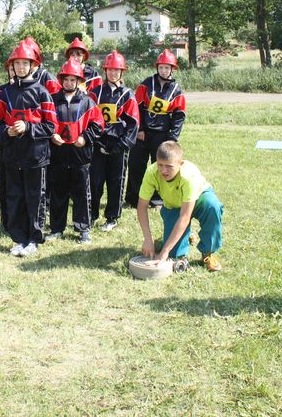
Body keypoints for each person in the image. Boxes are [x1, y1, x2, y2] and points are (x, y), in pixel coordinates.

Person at [0, 41, 57, 256]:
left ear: (33, 65)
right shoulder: (4, 94)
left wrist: (28, 127)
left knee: (35, 197)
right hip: (12, 155)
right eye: (16, 63)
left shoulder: (42, 93)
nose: (20, 67)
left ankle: (33, 239)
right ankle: (19, 238)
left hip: (35, 156)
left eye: (24, 63)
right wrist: (6, 132)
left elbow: (51, 126)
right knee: (15, 196)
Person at [137, 141, 223, 272]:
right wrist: (148, 239)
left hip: (200, 198)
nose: (163, 170)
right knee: (174, 255)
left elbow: (185, 217)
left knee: (213, 207)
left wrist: (164, 251)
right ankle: (185, 236)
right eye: (160, 165)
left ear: (180, 164)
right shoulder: (152, 172)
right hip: (174, 205)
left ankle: (208, 253)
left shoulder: (188, 176)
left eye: (169, 166)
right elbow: (142, 206)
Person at [46, 58, 104, 244]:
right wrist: (52, 135)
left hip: (80, 155)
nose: (69, 83)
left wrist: (85, 138)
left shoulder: (88, 102)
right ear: (61, 80)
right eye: (66, 79)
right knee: (58, 192)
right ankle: (56, 228)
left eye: (73, 80)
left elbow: (98, 125)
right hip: (59, 154)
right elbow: (45, 122)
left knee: (82, 193)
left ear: (79, 81)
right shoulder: (52, 100)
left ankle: (83, 228)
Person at [125, 49, 186, 208]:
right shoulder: (146, 84)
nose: (163, 71)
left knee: (160, 166)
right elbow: (136, 107)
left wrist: (173, 136)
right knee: (136, 165)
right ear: (157, 68)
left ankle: (158, 199)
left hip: (162, 134)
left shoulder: (177, 90)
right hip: (143, 133)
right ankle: (133, 198)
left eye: (167, 68)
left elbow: (179, 115)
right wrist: (139, 129)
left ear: (172, 69)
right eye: (161, 67)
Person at [88, 50, 139, 231]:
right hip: (98, 144)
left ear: (122, 72)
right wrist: (94, 141)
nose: (113, 73)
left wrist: (122, 145)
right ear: (105, 71)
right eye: (110, 69)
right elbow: (89, 119)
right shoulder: (94, 93)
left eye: (116, 70)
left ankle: (112, 218)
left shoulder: (127, 95)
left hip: (118, 146)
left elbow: (133, 124)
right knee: (95, 181)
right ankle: (91, 215)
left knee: (116, 182)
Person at [0, 62, 16, 232]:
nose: (15, 71)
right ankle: (7, 220)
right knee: (5, 184)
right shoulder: (2, 91)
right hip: (6, 145)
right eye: (12, 68)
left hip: (27, 147)